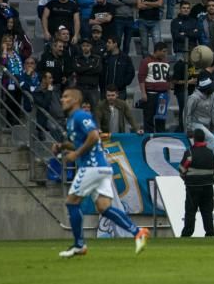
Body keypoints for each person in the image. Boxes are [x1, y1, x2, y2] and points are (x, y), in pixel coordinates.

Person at [54, 88, 149, 258]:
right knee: (104, 208)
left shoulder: (80, 116)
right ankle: (137, 232)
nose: (62, 99)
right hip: (102, 167)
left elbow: (94, 136)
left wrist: (77, 154)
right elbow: (80, 143)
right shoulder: (70, 120)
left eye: (66, 96)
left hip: (92, 166)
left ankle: (79, 245)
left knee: (71, 202)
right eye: (62, 96)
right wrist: (63, 146)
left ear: (76, 100)